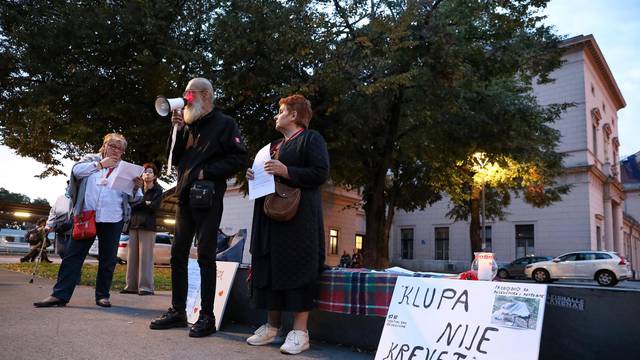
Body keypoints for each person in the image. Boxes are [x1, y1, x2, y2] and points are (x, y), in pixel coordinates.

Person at [150, 78, 247, 338]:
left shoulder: (225, 123)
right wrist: (179, 130)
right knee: (177, 254)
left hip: (208, 196)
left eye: (189, 94)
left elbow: (239, 156)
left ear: (205, 95)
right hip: (184, 195)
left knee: (205, 255)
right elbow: (177, 157)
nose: (185, 97)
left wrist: (207, 172)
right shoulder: (188, 124)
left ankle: (207, 316)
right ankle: (178, 310)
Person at [245, 94, 329, 355]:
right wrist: (252, 176)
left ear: (294, 115)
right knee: (270, 267)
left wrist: (287, 171)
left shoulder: (311, 138)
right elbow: (265, 177)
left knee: (297, 268)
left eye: (280, 111)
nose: (276, 115)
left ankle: (300, 332)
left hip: (298, 220)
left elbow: (320, 173)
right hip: (269, 217)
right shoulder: (271, 146)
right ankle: (271, 327)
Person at [34, 133, 143, 308]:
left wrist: (137, 187)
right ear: (104, 145)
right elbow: (76, 172)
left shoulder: (126, 169)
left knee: (108, 260)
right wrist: (100, 164)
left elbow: (135, 198)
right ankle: (59, 295)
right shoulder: (90, 160)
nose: (116, 151)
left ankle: (102, 296)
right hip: (87, 216)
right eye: (113, 146)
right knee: (73, 256)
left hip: (113, 217)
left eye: (120, 148)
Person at [120, 162, 163, 296]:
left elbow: (154, 207)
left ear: (155, 176)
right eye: (145, 172)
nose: (147, 174)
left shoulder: (158, 190)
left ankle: (146, 287)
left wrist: (141, 203)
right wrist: (143, 203)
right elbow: (131, 203)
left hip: (148, 226)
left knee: (146, 257)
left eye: (150, 172)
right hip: (134, 224)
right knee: (131, 257)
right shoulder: (136, 188)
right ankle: (131, 286)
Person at [45, 181, 72, 258]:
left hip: (75, 232)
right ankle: (69, 268)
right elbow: (53, 213)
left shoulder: (79, 197)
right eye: (69, 185)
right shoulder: (60, 199)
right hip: (61, 230)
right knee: (62, 252)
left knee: (71, 254)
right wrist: (48, 225)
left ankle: (71, 269)